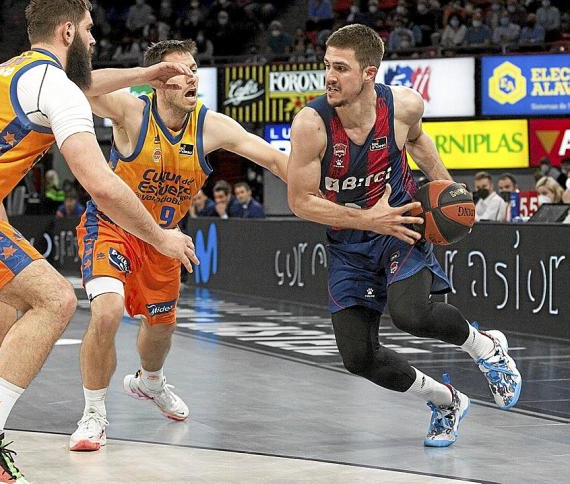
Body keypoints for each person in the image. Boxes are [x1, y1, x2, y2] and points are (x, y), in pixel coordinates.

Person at [0, 1, 198, 482]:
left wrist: (147, 72)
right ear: (68, 31)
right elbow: (102, 185)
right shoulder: (56, 87)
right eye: (90, 31)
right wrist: (162, 238)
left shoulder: (4, 73)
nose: (94, 41)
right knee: (55, 300)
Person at [286, 24, 521, 448]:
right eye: (327, 66)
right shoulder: (311, 125)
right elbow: (301, 201)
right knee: (358, 358)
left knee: (410, 314)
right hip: (350, 245)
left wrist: (452, 193)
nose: (330, 77)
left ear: (370, 73)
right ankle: (446, 401)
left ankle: (485, 347)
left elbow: (418, 142)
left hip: (402, 224)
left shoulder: (404, 106)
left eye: (341, 68)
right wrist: (367, 221)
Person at [68, 39, 287, 451]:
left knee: (161, 331)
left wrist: (328, 196)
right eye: (178, 70)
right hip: (112, 227)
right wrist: (142, 77)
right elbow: (78, 85)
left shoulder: (212, 126)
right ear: (158, 81)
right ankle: (94, 414)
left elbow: (276, 160)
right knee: (108, 311)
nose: (191, 77)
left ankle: (150, 382)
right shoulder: (132, 110)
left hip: (165, 241)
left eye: (193, 69)